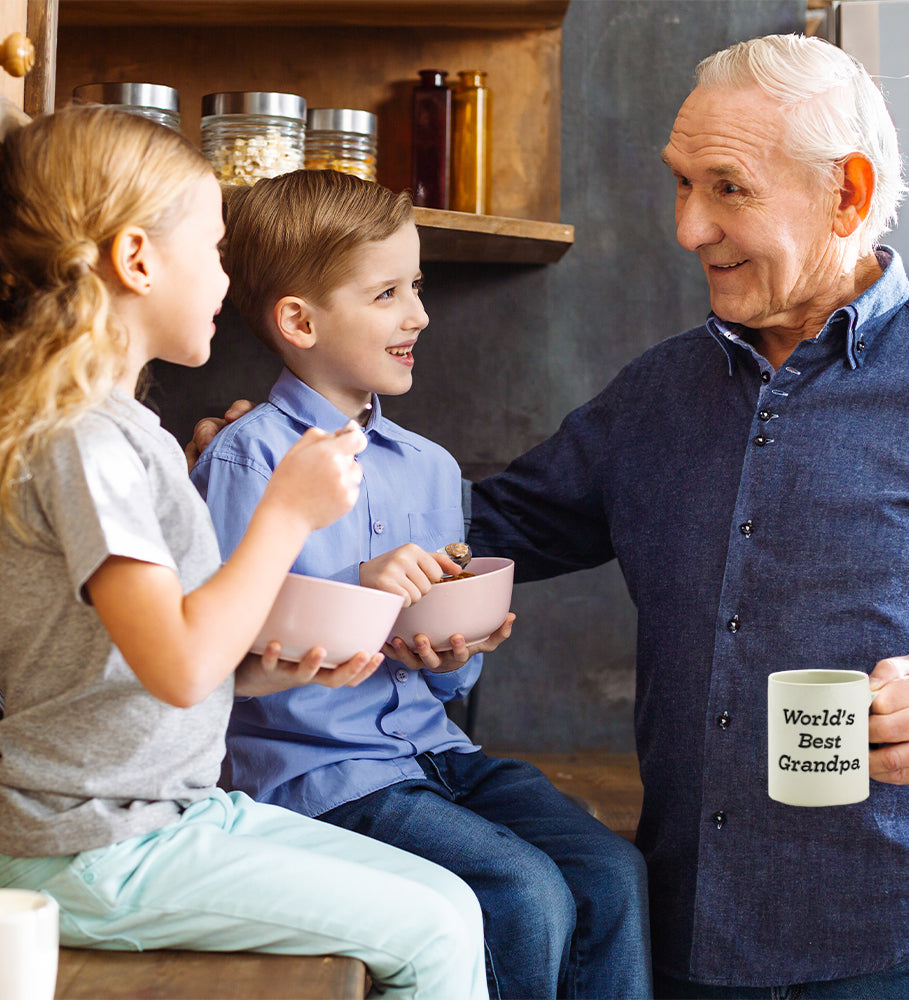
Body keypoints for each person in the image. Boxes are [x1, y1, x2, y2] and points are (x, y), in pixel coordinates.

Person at [194, 31, 909, 998]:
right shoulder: (657, 395)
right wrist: (275, 468)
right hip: (687, 933)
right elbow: (463, 536)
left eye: (727, 187)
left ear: (849, 194)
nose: (688, 226)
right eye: (680, 183)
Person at [0, 103, 487, 1000]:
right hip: (89, 844)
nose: (229, 279)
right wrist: (284, 518)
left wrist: (274, 671)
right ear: (137, 260)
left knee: (455, 906)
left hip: (162, 813)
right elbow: (180, 669)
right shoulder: (84, 442)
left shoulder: (123, 433)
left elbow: (161, 667)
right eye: (216, 250)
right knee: (432, 930)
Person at [189, 168, 653, 1000]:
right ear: (299, 320)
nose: (419, 315)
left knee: (612, 872)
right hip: (315, 777)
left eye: (419, 287)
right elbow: (219, 661)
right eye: (387, 294)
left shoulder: (433, 470)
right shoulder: (246, 458)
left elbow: (450, 682)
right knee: (524, 891)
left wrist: (450, 653)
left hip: (435, 753)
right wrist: (361, 590)